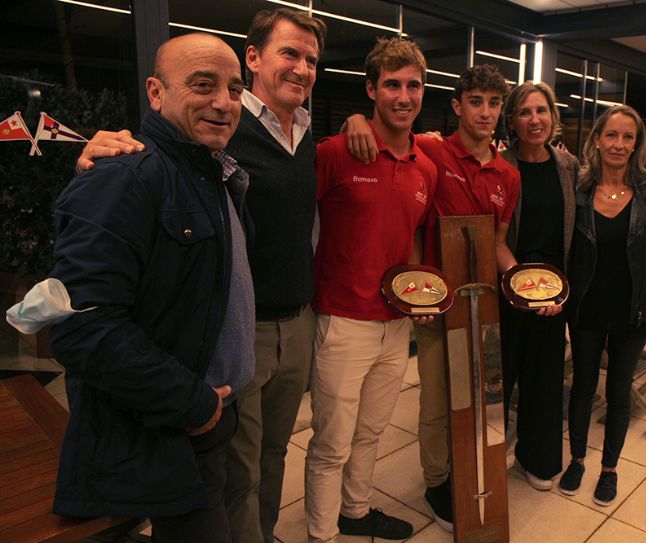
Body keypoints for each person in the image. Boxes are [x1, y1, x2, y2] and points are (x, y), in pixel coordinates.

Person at [74, 10, 327, 541]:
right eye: (289, 53)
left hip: (290, 325)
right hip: (216, 361)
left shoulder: (279, 144)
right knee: (236, 477)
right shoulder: (168, 156)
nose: (221, 101)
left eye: (310, 58)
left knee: (267, 459)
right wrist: (97, 156)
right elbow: (86, 320)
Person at [42, 33, 253, 541]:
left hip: (203, 419)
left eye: (234, 88)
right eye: (203, 85)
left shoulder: (210, 172)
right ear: (155, 93)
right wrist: (193, 404)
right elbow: (80, 327)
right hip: (166, 427)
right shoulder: (124, 176)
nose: (223, 103)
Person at [344, 64, 521, 532]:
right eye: (476, 102)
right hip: (435, 304)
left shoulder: (508, 174)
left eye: (494, 102)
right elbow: (384, 134)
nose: (485, 112)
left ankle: (470, 470)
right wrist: (355, 120)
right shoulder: (430, 150)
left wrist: (524, 282)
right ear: (458, 106)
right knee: (438, 402)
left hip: (483, 304)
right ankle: (437, 480)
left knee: (480, 398)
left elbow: (500, 242)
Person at [305, 37, 437, 543]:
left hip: (395, 323)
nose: (403, 96)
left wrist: (419, 294)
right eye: (392, 85)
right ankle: (322, 534)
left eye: (413, 86)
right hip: (341, 321)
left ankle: (354, 513)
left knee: (371, 432)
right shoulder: (336, 153)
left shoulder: (424, 166)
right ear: (371, 89)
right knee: (331, 443)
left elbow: (416, 237)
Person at [561, 104, 646, 506]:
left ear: (637, 144)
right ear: (596, 139)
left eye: (628, 137)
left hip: (633, 312)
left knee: (620, 392)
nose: (619, 144)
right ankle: (576, 459)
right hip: (587, 310)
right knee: (583, 389)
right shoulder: (577, 191)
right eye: (612, 135)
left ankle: (609, 468)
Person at [499, 81, 578, 491]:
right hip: (506, 288)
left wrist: (553, 294)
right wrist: (521, 286)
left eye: (542, 110)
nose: (535, 119)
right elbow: (494, 237)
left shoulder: (568, 166)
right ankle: (487, 458)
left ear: (553, 116)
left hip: (554, 295)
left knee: (545, 381)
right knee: (500, 379)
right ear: (511, 120)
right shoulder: (499, 166)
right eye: (525, 112)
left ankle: (538, 459)